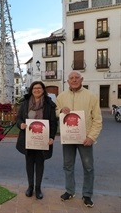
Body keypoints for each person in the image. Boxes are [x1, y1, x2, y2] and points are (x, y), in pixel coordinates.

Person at [56, 71, 102, 208]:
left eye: (77, 78)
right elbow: (55, 111)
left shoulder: (91, 96)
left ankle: (87, 194)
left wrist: (91, 137)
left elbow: (97, 119)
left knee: (88, 168)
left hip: (85, 139)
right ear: (67, 81)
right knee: (68, 165)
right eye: (71, 78)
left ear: (82, 80)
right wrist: (60, 111)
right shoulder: (61, 96)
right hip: (68, 138)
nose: (74, 80)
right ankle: (70, 191)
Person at [16, 81, 57, 199]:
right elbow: (18, 118)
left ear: (43, 90)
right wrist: (21, 124)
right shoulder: (25, 103)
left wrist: (51, 137)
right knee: (29, 163)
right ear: (31, 90)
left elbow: (53, 123)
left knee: (40, 163)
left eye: (39, 88)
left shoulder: (49, 104)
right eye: (34, 88)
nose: (37, 90)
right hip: (28, 139)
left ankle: (38, 188)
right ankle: (30, 187)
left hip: (42, 140)